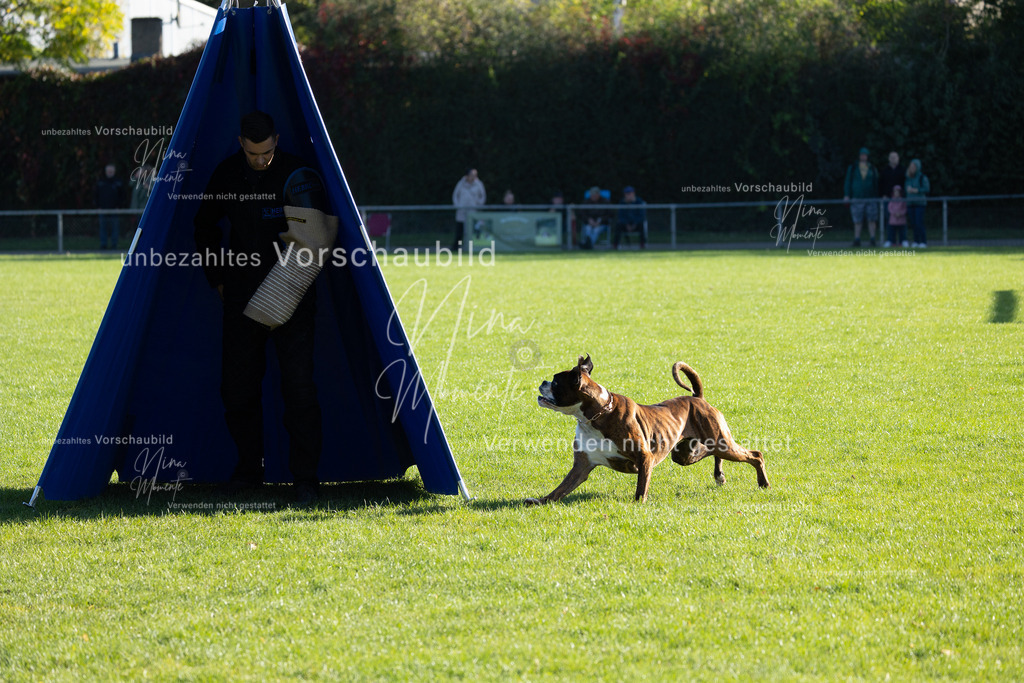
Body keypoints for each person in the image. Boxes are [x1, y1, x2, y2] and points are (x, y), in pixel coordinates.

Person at [193, 110, 323, 504]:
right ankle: (249, 473)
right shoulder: (226, 174)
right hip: (242, 295)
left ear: (277, 141)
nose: (261, 160)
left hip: (292, 293)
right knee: (237, 390)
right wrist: (217, 278)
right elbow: (204, 225)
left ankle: (306, 480)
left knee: (299, 388)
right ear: (241, 144)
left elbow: (317, 235)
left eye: (267, 153)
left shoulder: (297, 173)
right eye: (253, 154)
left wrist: (298, 281)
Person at [843, 147, 880, 247]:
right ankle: (857, 239)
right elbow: (848, 182)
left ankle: (872, 239)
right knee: (857, 220)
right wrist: (847, 195)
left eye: (865, 155)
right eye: (862, 155)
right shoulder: (853, 168)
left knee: (872, 219)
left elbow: (876, 183)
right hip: (857, 197)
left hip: (870, 197)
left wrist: (876, 195)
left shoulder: (872, 168)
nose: (863, 157)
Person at [451, 168, 485, 250]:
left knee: (473, 229)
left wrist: (478, 205)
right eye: (472, 175)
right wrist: (458, 206)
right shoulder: (460, 184)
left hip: (473, 211)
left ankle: (474, 247)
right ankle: (456, 247)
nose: (473, 177)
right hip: (462, 211)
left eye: (475, 175)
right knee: (460, 230)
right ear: (467, 176)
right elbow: (455, 195)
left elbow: (483, 196)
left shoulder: (479, 184)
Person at [95, 163, 124, 249]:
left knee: (114, 228)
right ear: (106, 171)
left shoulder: (118, 182)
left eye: (111, 171)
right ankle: (103, 244)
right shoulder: (101, 182)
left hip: (115, 210)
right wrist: (98, 206)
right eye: (108, 171)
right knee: (103, 228)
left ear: (114, 171)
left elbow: (122, 196)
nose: (110, 173)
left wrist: (119, 206)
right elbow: (96, 195)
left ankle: (114, 245)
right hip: (102, 209)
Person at [904, 158, 930, 247]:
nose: (912, 168)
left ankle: (923, 241)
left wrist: (916, 190)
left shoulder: (922, 177)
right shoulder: (908, 177)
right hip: (910, 203)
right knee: (913, 223)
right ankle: (916, 241)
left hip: (920, 204)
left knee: (919, 223)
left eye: (913, 166)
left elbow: (927, 189)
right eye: (910, 166)